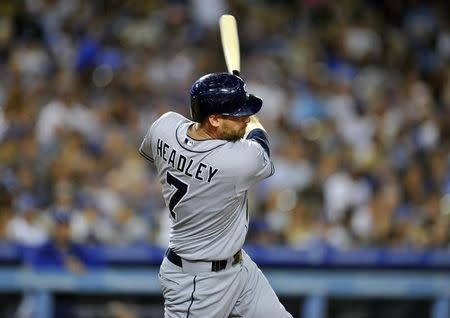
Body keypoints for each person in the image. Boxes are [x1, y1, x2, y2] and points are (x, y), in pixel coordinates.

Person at [139, 72, 292, 317]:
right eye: (238, 114)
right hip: (197, 283)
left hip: (239, 269)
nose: (245, 118)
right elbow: (260, 140)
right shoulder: (236, 161)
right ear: (214, 119)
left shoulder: (164, 126)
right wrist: (252, 122)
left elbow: (154, 151)